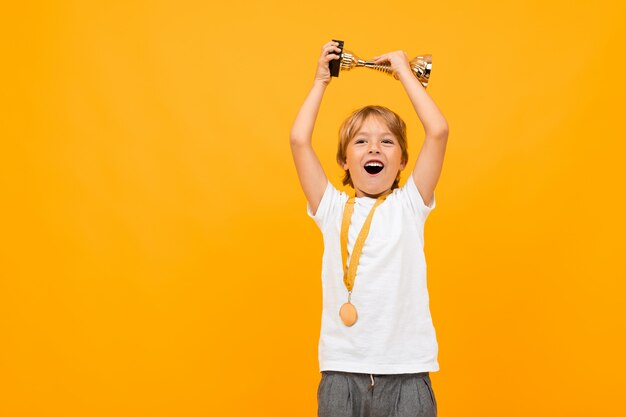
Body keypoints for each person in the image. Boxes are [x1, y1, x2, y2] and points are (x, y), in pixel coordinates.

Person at [290, 40, 449, 417]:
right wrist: (320, 82)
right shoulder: (330, 207)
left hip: (407, 373)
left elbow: (438, 131)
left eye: (387, 142)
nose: (373, 148)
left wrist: (405, 75)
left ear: (403, 161)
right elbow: (299, 140)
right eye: (361, 142)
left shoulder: (410, 204)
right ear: (345, 161)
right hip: (342, 374)